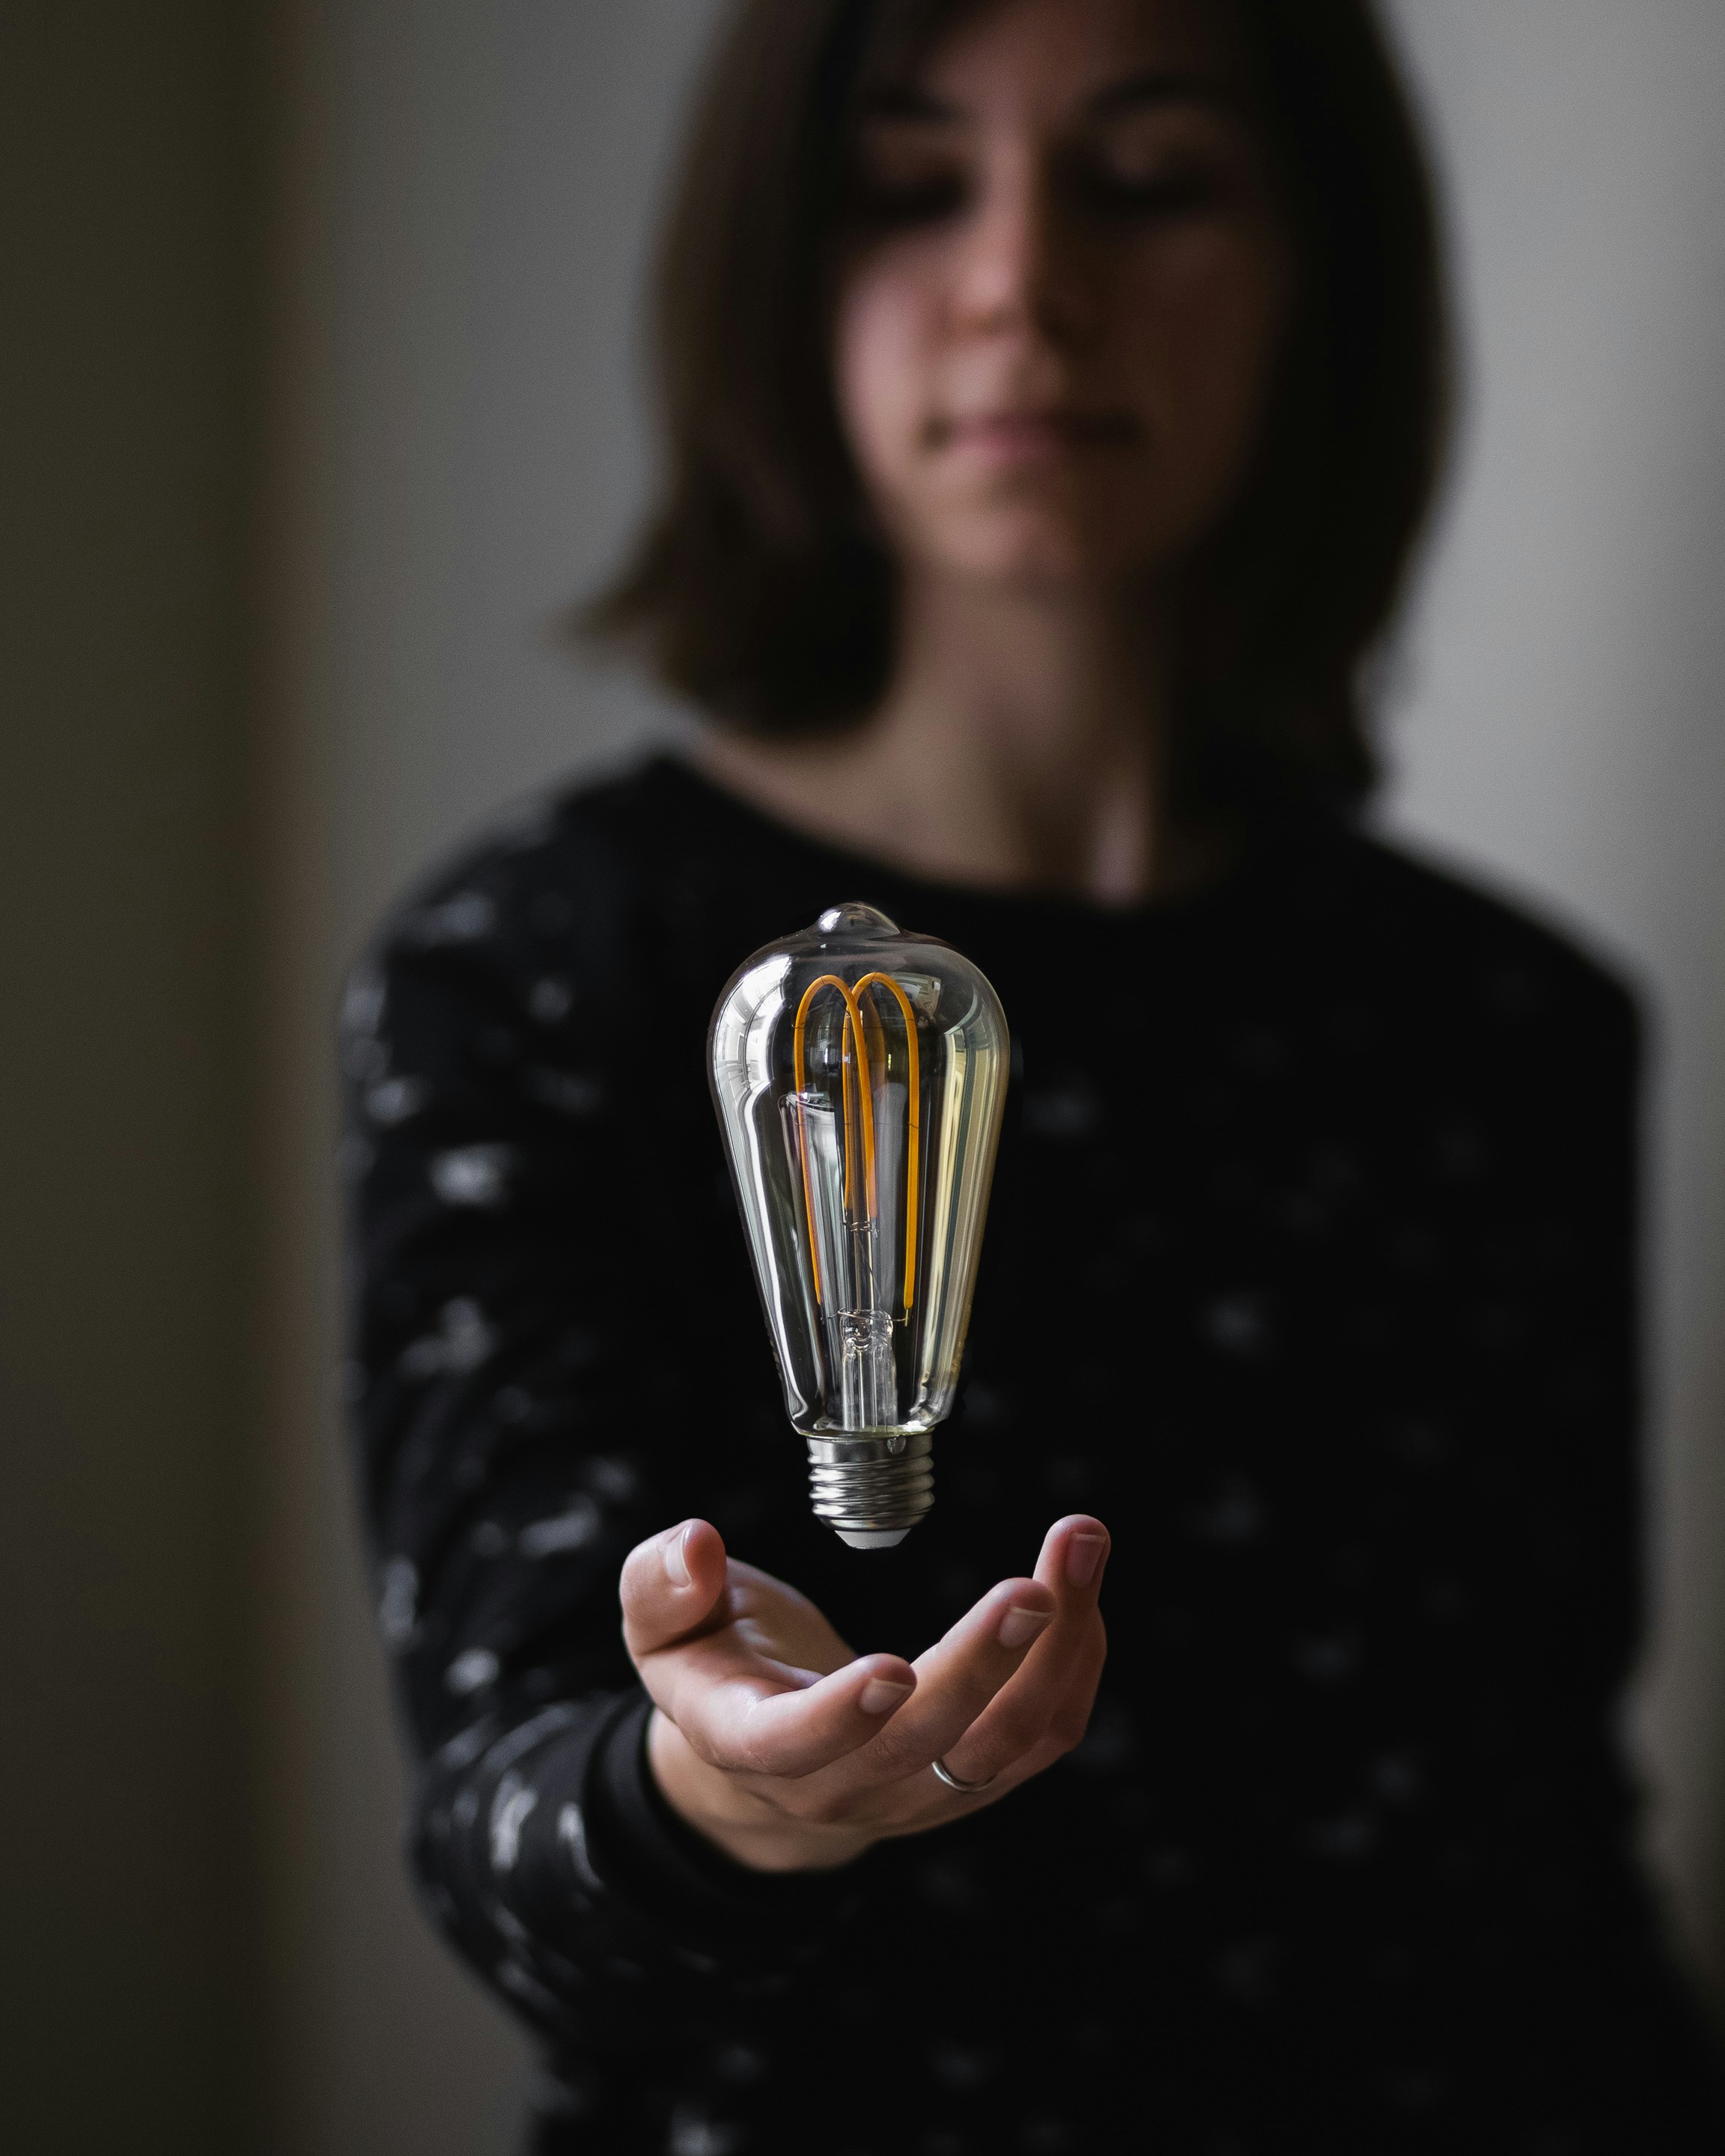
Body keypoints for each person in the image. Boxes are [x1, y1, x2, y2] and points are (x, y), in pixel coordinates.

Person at [339, 0, 1725, 2149]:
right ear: (779, 277)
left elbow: (1536, 1817)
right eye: (911, 188)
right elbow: (512, 1808)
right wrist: (714, 1786)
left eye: (1149, 180)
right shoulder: (533, 969)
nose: (1022, 285)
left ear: (1319, 271)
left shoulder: (1509, 1028)